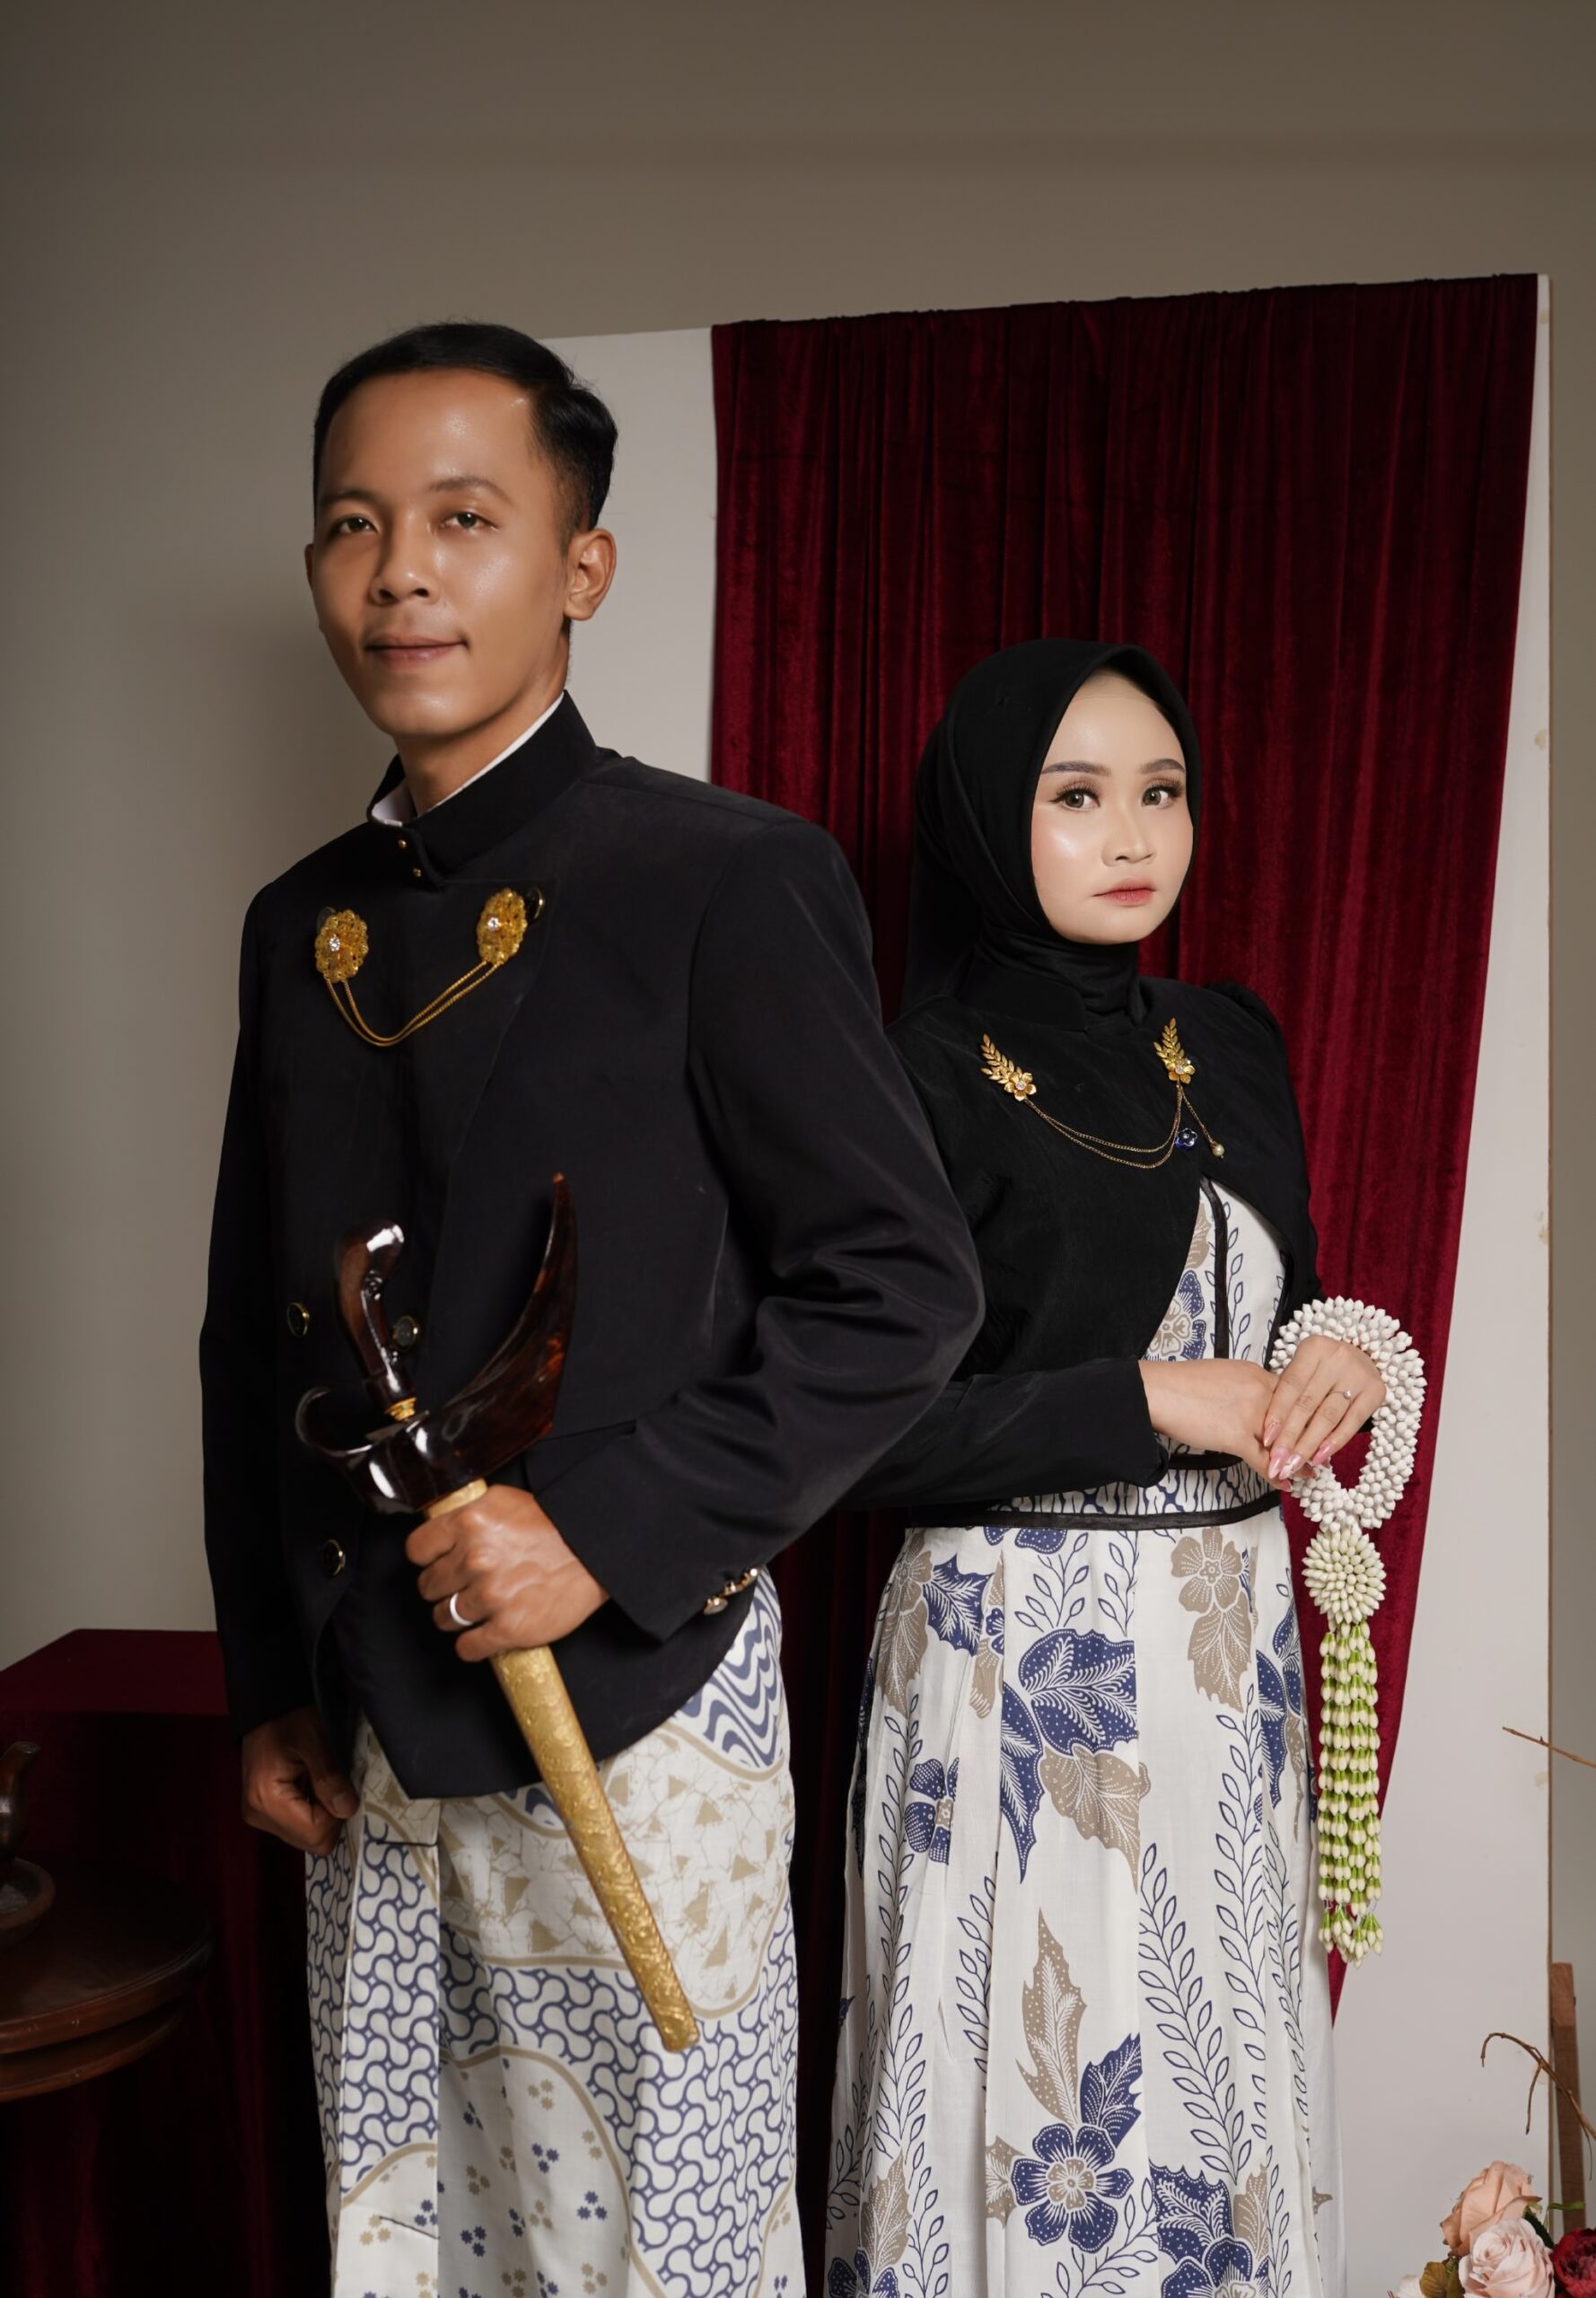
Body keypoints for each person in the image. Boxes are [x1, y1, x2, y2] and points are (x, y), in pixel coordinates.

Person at [199, 320, 983, 2298]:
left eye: (463, 520)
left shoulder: (723, 877)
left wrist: (605, 1530)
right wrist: (268, 1671)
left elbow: (903, 1284)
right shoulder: (300, 924)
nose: (400, 573)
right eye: (353, 525)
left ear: (581, 564)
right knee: (408, 2248)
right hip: (372, 1725)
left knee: (663, 2259)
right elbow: (251, 1327)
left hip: (638, 1705)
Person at [827, 640, 1381, 2298]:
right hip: (1017, 1654)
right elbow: (859, 1432)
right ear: (989, 822)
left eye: (1160, 791)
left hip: (1228, 1648)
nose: (1131, 835)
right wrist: (1144, 1400)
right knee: (1030, 2084)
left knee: (1214, 2083)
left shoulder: (1229, 1041)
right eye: (1073, 797)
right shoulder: (905, 1074)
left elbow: (1281, 1309)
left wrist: (1338, 1355)